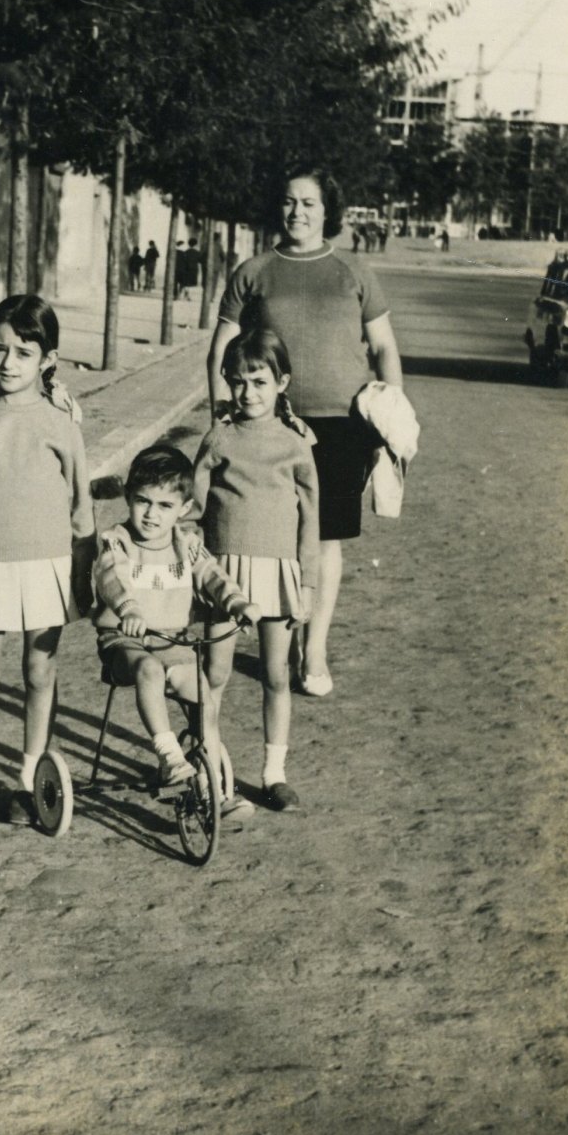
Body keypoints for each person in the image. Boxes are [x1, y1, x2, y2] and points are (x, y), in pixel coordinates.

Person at [207, 166, 403, 699]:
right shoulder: (255, 270)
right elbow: (222, 348)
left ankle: (313, 647)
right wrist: (220, 414)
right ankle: (283, 633)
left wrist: (393, 409)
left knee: (326, 536)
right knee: (273, 533)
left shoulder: (354, 272)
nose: (298, 212)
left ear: (327, 211)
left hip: (343, 424)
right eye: (290, 202)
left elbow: (383, 348)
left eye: (310, 203)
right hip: (271, 422)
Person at [0, 294, 96, 835]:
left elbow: (82, 508)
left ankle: (30, 779)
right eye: (0, 349)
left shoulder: (61, 425)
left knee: (38, 671)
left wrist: (84, 571)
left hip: (47, 567)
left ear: (47, 360)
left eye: (24, 352)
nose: (8, 363)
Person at [93, 444, 262, 822]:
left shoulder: (185, 543)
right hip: (125, 642)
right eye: (143, 502)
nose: (151, 514)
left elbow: (210, 574)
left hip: (173, 641)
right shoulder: (116, 540)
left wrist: (237, 602)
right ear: (129, 499)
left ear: (183, 509)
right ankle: (170, 757)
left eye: (164, 505)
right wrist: (128, 609)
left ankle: (216, 792)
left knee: (204, 701)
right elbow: (111, 577)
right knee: (149, 670)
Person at [192, 328, 320, 812]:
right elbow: (195, 505)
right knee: (215, 672)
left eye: (259, 382)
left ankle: (273, 773)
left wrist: (306, 584)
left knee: (276, 674)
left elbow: (311, 520)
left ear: (281, 382)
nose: (248, 393)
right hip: (226, 575)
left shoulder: (295, 445)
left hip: (279, 573)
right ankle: (208, 766)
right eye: (238, 382)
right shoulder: (219, 438)